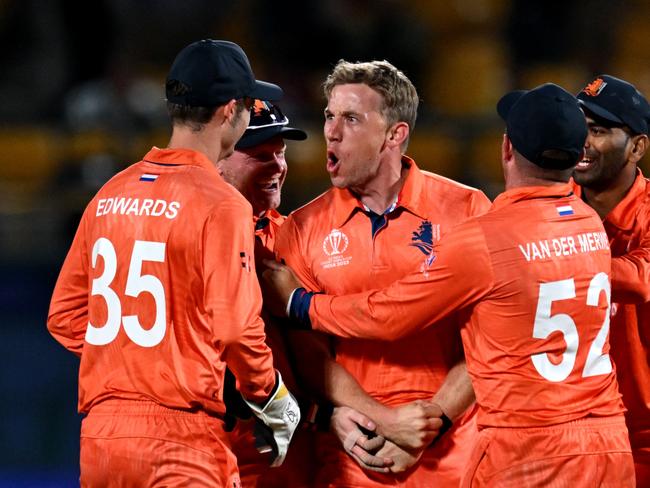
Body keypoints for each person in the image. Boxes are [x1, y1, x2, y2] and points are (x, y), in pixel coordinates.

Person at [265, 83, 636, 486]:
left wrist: (300, 304)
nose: (333, 130)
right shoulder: (590, 226)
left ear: (507, 148)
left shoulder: (484, 235)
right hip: (608, 443)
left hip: (527, 449)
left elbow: (388, 315)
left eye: (350, 118)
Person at [47, 39, 300, 487]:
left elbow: (65, 317)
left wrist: (139, 362)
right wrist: (273, 396)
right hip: (181, 441)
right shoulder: (220, 204)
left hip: (102, 439)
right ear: (230, 110)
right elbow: (236, 329)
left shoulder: (111, 192)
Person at [270, 59, 491, 486]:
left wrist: (434, 422)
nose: (331, 132)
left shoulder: (467, 210)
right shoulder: (301, 227)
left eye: (351, 119)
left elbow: (485, 338)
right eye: (329, 116)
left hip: (451, 457)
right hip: (354, 453)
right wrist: (380, 420)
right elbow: (308, 350)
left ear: (395, 134)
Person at [217, 99, 313, 487]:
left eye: (281, 153)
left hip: (286, 451)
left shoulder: (300, 236)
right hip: (208, 443)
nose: (277, 167)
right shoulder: (185, 233)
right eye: (260, 155)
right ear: (219, 157)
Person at [572, 74, 650, 486]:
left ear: (636, 147)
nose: (581, 142)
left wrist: (552, 257)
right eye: (578, 128)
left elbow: (640, 279)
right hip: (566, 430)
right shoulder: (550, 202)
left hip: (643, 436)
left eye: (598, 131)